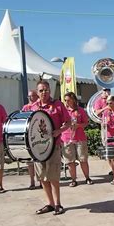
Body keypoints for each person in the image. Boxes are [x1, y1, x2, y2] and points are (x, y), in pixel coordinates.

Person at [30, 80, 71, 215]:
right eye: (41, 90)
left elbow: (68, 122)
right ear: (37, 92)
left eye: (46, 90)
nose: (44, 93)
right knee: (43, 177)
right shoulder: (33, 107)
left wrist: (59, 131)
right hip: (38, 148)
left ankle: (58, 203)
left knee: (53, 176)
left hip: (53, 146)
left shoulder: (58, 105)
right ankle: (50, 203)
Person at [61, 92, 93, 187]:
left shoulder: (80, 110)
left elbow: (86, 123)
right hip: (66, 138)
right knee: (70, 161)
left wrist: (78, 125)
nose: (67, 102)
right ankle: (73, 180)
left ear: (74, 100)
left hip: (79, 138)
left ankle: (87, 177)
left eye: (69, 100)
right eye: (65, 100)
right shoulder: (63, 111)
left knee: (83, 159)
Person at [22, 89, 41, 190]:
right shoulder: (25, 107)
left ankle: (41, 181)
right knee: (30, 162)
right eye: (29, 96)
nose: (30, 98)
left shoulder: (39, 106)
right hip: (29, 137)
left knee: (39, 160)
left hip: (38, 136)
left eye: (32, 96)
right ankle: (32, 181)